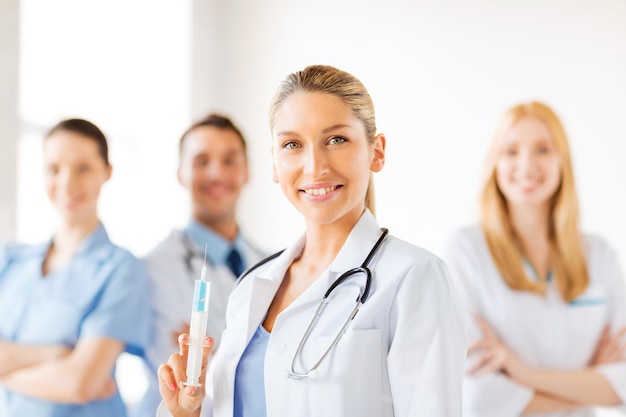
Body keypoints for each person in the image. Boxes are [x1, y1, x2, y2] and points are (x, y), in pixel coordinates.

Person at [156, 64, 467, 417]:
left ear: (376, 151)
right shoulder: (251, 288)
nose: (314, 165)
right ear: (274, 163)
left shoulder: (414, 277)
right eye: (292, 144)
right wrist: (186, 412)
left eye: (336, 139)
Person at [442, 101, 626, 416]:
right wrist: (593, 386)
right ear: (494, 163)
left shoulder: (599, 255)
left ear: (562, 161)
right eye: (511, 151)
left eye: (543, 149)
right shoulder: (467, 250)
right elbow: (476, 395)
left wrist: (521, 373)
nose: (526, 165)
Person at [0, 118, 151, 416]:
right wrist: (53, 354)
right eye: (54, 169)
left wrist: (8, 369)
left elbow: (80, 383)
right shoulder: (10, 260)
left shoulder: (122, 269)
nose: (67, 183)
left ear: (107, 172)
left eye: (83, 168)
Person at [136, 113, 266, 417]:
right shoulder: (152, 269)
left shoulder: (273, 265)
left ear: (246, 171)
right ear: (180, 173)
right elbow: (180, 367)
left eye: (229, 160)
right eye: (201, 161)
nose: (216, 173)